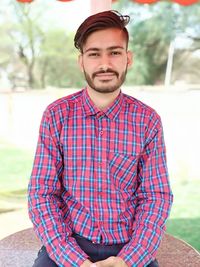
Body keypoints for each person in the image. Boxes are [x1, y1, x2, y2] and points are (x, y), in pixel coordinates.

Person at [28, 10, 173, 267]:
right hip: (69, 243)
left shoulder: (147, 121)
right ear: (81, 61)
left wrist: (128, 260)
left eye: (114, 52)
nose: (105, 63)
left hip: (128, 246)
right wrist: (76, 261)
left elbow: (156, 196)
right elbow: (42, 194)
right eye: (94, 53)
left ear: (128, 58)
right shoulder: (56, 116)